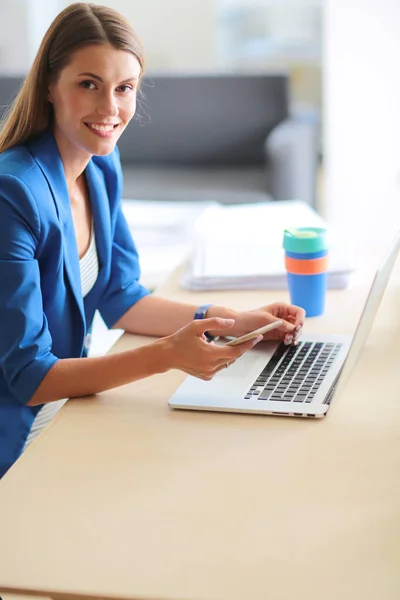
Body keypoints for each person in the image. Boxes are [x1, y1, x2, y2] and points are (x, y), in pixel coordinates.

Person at [0, 2, 305, 479]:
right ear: (49, 88)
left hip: (68, 411)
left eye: (124, 88)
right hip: (18, 434)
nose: (110, 109)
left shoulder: (99, 165)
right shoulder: (12, 192)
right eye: (89, 84)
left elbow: (120, 298)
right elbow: (29, 376)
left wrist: (228, 321)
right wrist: (166, 355)